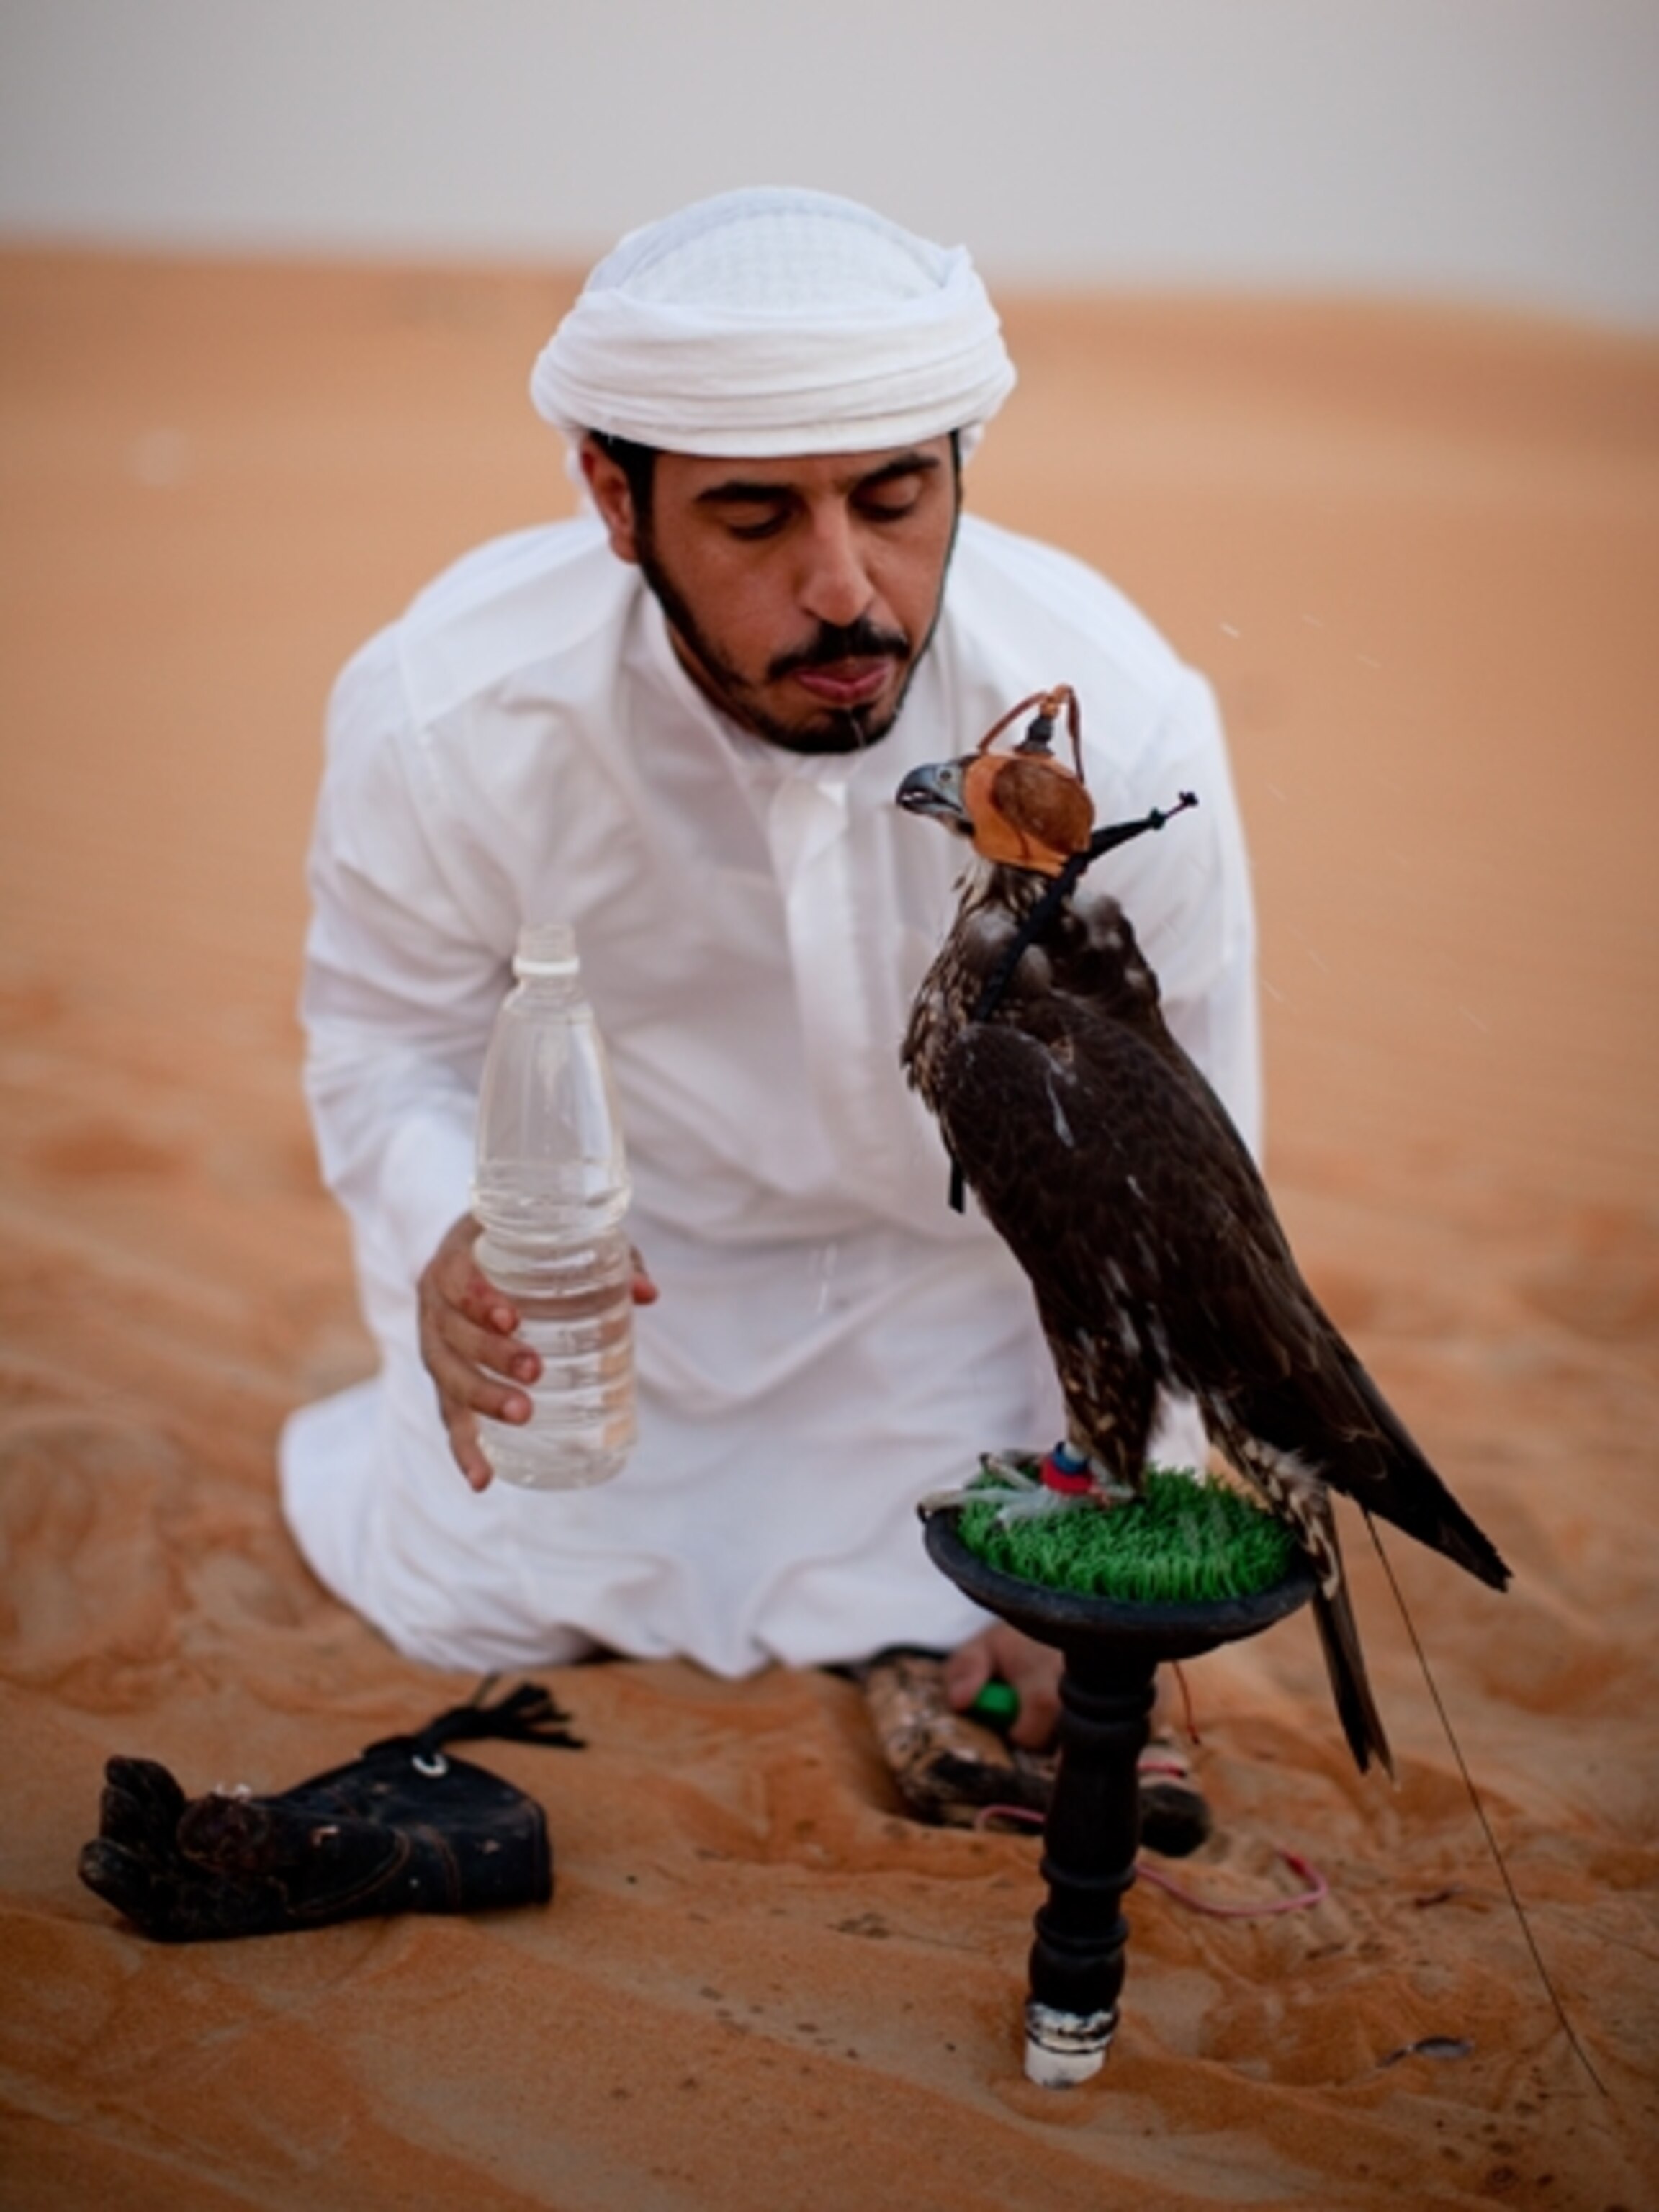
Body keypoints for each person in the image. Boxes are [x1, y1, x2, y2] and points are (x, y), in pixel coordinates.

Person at [279, 187, 1260, 1765]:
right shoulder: (450, 713)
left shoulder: (1115, 725)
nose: (845, 591)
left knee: (1022, 1610)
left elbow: (1190, 1180)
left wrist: (1126, 1494)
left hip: (980, 1320)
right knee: (465, 1604)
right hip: (615, 1309)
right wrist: (442, 1238)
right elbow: (378, 1046)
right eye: (755, 521)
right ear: (616, 500)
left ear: (959, 469)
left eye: (894, 500)